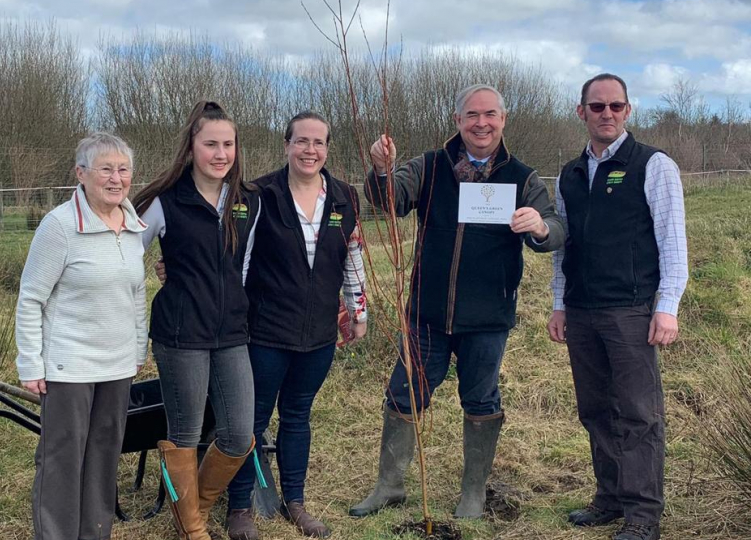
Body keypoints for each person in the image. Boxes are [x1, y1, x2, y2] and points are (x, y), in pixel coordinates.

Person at [350, 84, 564, 520]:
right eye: (471, 115)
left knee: (481, 401)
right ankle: (389, 487)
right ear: (457, 121)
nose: (480, 123)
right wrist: (381, 171)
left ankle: (473, 494)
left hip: (487, 319)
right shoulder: (430, 166)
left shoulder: (523, 177)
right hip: (426, 317)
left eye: (489, 115)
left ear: (503, 120)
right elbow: (387, 200)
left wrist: (540, 226)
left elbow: (557, 228)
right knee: (402, 395)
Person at [546, 74, 688, 540]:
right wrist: (559, 304)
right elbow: (565, 247)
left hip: (630, 310)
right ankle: (608, 498)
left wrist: (666, 306)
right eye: (597, 106)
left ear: (628, 111)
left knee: (638, 415)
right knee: (596, 410)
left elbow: (673, 242)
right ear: (581, 111)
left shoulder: (653, 165)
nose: (607, 114)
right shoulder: (570, 173)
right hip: (582, 310)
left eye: (616, 106)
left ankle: (643, 515)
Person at [221, 111, 368, 540]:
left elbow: (352, 257)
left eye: (318, 142)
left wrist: (357, 312)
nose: (310, 150)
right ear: (286, 145)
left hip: (319, 334)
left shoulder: (344, 197)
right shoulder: (259, 193)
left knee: (298, 416)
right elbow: (240, 262)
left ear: (327, 148)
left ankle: (295, 502)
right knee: (252, 419)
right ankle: (239, 507)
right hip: (265, 333)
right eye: (301, 141)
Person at [133, 101, 261, 540]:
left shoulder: (248, 202)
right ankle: (193, 529)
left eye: (228, 144)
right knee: (185, 431)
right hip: (180, 334)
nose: (221, 153)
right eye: (211, 144)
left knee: (239, 433)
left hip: (231, 333)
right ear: (191, 148)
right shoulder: (165, 202)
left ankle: (194, 509)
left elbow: (246, 266)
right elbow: (126, 257)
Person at [15, 132, 148, 540]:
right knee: (62, 461)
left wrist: (138, 348)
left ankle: (95, 533)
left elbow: (137, 292)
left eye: (123, 169)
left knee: (104, 456)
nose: (116, 178)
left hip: (118, 364)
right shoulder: (59, 227)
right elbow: (31, 298)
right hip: (68, 365)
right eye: (105, 168)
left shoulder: (132, 226)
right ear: (81, 173)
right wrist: (30, 364)